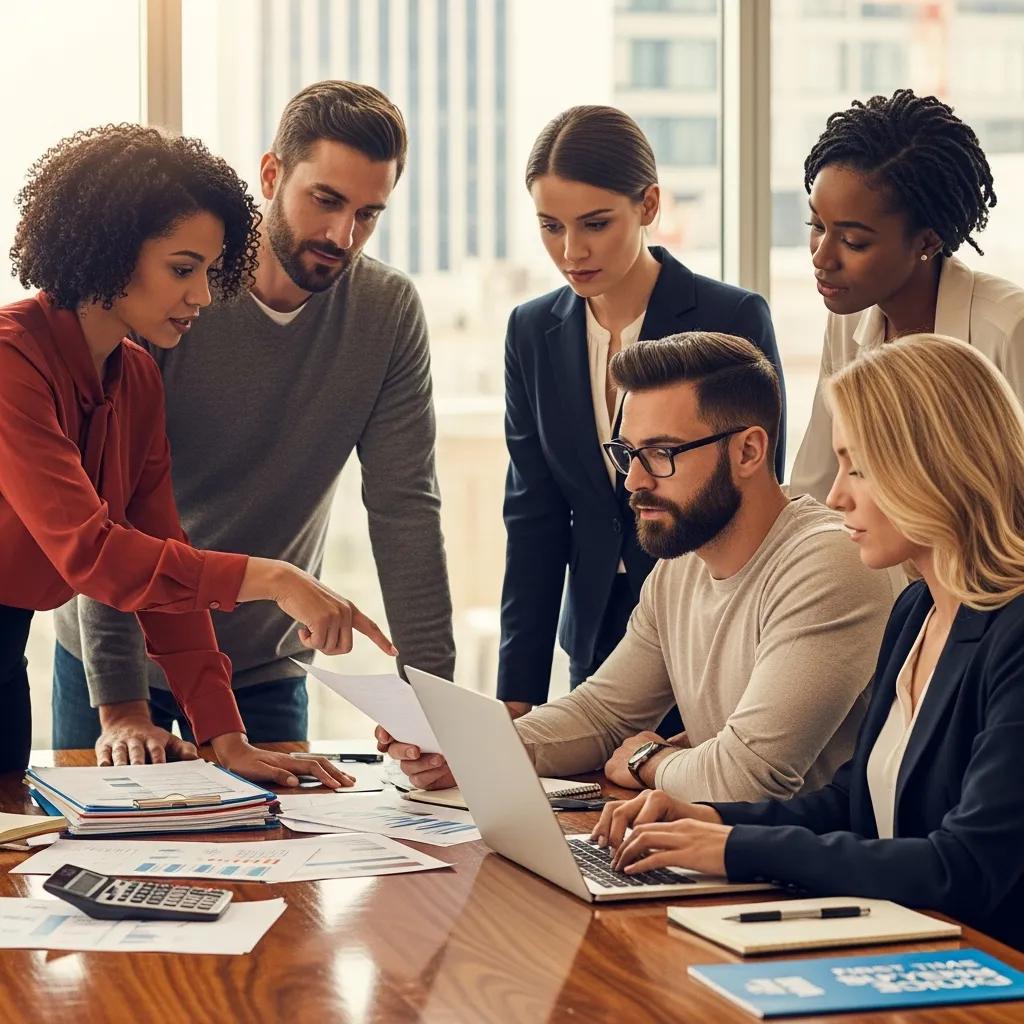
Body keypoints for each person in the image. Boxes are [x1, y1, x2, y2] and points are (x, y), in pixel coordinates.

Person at [52, 82, 455, 764]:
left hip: (261, 662)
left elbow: (405, 509)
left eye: (367, 214)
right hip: (117, 651)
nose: (342, 235)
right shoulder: (172, 292)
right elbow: (106, 510)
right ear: (271, 176)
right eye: (325, 200)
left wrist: (432, 705)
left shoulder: (386, 313)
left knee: (281, 833)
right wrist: (121, 707)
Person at [593, 334, 1024, 952]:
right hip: (910, 944)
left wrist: (736, 849)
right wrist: (709, 819)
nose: (837, 495)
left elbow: (967, 864)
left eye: (858, 468)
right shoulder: (918, 611)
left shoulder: (1013, 633)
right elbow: (854, 803)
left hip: (988, 971)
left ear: (936, 467)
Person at [0, 123, 394, 784]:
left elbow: (161, 561)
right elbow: (93, 554)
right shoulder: (11, 359)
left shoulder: (136, 376)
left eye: (210, 272)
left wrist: (226, 738)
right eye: (182, 269)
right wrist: (276, 578)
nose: (204, 296)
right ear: (109, 252)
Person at [380, 334, 894, 805]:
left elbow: (744, 780)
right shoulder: (679, 569)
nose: (633, 482)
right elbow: (602, 715)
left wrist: (647, 759)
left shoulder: (828, 563)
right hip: (713, 854)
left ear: (748, 451)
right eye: (628, 453)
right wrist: (461, 747)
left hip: (806, 868)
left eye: (662, 453)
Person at [499, 106, 786, 726]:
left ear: (648, 205)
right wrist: (516, 695)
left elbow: (756, 491)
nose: (571, 251)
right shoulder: (530, 331)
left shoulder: (732, 317)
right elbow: (533, 517)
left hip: (708, 625)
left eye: (595, 223)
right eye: (550, 226)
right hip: (595, 630)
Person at [791, 88, 1024, 501]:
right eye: (817, 227)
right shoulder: (848, 320)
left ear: (928, 241)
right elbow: (815, 488)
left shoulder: (1009, 330)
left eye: (854, 242)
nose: (822, 257)